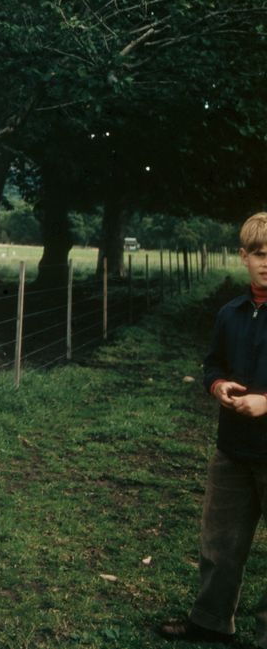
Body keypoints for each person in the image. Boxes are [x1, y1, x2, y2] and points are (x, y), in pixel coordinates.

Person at [160, 213, 267, 646]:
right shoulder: (231, 313)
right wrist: (219, 386)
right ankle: (210, 620)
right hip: (233, 450)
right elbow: (212, 363)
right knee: (219, 543)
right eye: (259, 253)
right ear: (243, 257)